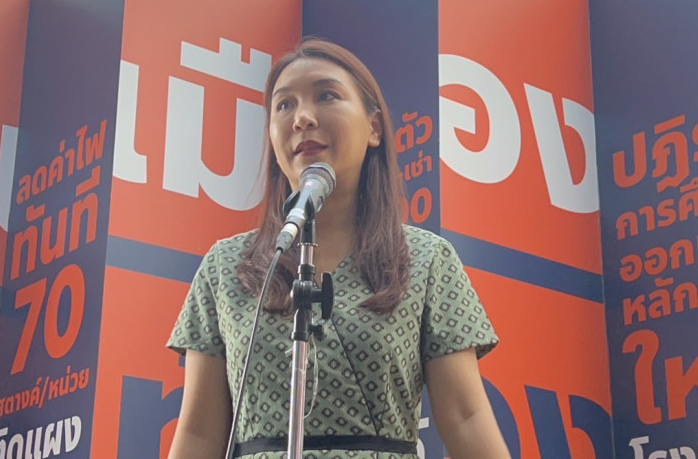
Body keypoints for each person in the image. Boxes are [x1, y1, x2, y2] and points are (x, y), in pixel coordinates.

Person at [166, 38, 510, 459]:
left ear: (374, 128)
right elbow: (199, 433)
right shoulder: (225, 266)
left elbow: (466, 418)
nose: (302, 118)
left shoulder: (426, 259)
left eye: (326, 96)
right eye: (284, 105)